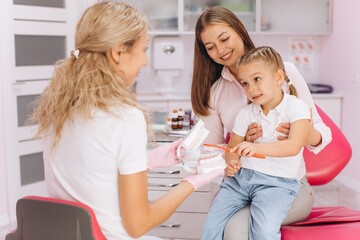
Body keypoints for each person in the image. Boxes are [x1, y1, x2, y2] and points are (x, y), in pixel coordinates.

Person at [28, 2, 223, 240]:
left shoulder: (57, 109)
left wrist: (149, 161)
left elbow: (92, 173)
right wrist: (192, 182)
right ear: (118, 53)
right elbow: (138, 225)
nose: (145, 61)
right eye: (143, 49)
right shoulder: (124, 118)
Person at [191, 6, 332, 239]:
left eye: (224, 38)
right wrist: (238, 149)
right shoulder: (215, 93)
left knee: (237, 229)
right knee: (218, 225)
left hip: (288, 184)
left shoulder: (284, 71)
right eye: (210, 47)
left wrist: (300, 133)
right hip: (242, 183)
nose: (221, 50)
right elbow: (213, 151)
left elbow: (321, 134)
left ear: (239, 30)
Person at [201, 46, 312, 239]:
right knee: (211, 225)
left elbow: (293, 146)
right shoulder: (246, 113)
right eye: (245, 83)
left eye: (257, 79)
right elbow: (232, 148)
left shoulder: (297, 108)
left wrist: (255, 147)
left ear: (278, 78)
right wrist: (232, 162)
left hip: (278, 184)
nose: (251, 89)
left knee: (264, 231)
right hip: (240, 180)